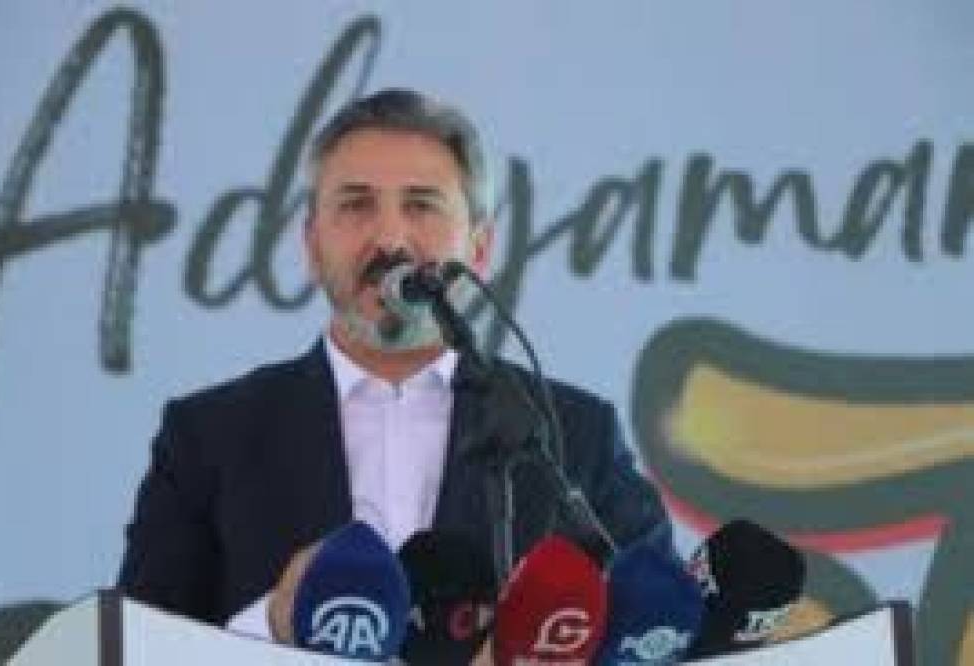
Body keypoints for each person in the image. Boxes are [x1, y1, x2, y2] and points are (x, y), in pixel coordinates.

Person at [116, 88, 673, 643]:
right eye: (356, 205)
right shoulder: (209, 436)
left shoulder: (576, 436)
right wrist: (269, 625)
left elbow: (660, 638)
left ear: (479, 248)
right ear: (311, 245)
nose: (388, 238)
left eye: (421, 205)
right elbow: (138, 645)